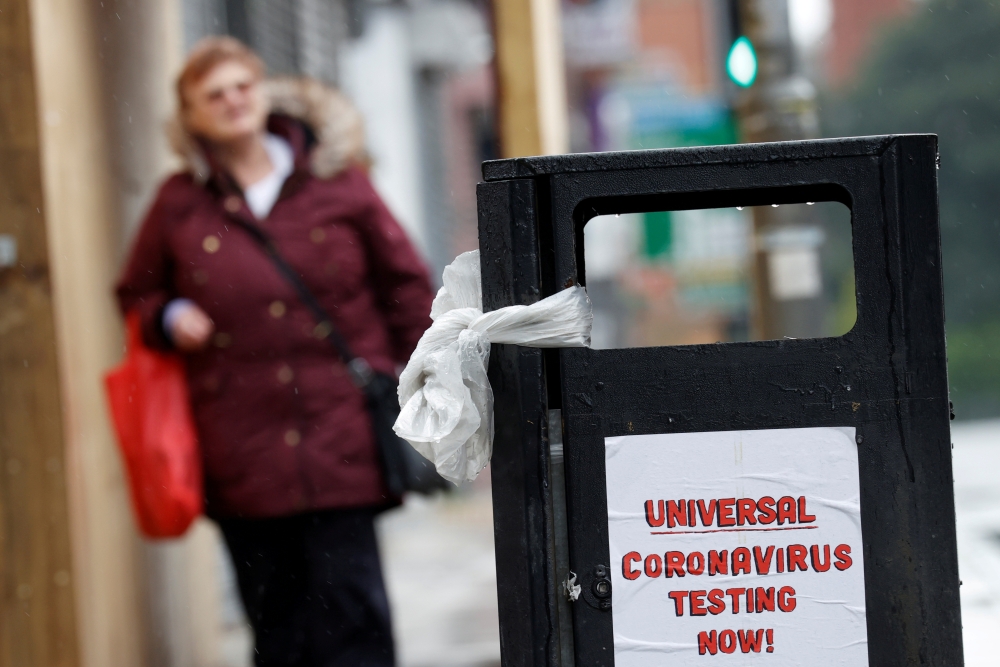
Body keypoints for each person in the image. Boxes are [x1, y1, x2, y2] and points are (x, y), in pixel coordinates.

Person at [115, 37, 434, 666]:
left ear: (265, 94)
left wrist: (409, 380)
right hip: (241, 449)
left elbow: (407, 287)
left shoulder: (338, 184)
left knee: (355, 617)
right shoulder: (179, 202)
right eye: (214, 94)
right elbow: (136, 293)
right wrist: (169, 314)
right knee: (278, 626)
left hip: (341, 436)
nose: (233, 101)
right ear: (190, 116)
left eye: (243, 86)